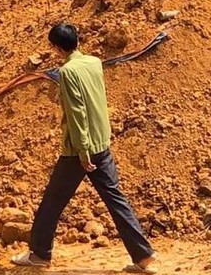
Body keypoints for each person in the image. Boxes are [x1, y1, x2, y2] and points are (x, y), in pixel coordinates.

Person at [11, 23, 156, 273]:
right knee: (115, 198)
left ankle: (39, 254)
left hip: (79, 150)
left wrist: (82, 151)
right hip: (102, 142)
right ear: (78, 39)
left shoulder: (67, 72)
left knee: (52, 201)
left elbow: (76, 112)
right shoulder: (94, 62)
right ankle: (144, 257)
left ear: (56, 47)